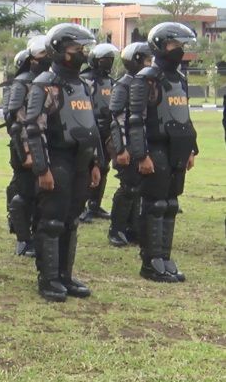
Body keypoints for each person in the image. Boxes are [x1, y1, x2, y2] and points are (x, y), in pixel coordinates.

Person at [23, 23, 102, 302]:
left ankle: (65, 276)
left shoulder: (83, 85)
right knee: (52, 221)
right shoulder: (45, 84)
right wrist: (42, 168)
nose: (81, 54)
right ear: (59, 51)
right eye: (75, 49)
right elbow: (34, 128)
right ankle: (48, 279)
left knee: (70, 220)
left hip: (80, 160)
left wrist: (94, 162)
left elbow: (89, 126)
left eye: (83, 49)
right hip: (56, 158)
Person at [127, 22, 199, 282]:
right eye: (174, 45)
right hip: (155, 148)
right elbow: (134, 120)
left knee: (170, 205)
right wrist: (141, 154)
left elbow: (185, 117)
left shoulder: (179, 79)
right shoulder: (146, 78)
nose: (178, 50)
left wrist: (192, 148)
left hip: (177, 150)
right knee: (155, 205)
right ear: (159, 46)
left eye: (181, 46)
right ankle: (151, 261)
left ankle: (165, 257)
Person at [4, 36, 49, 258]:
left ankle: (39, 235)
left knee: (43, 195)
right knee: (24, 193)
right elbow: (17, 119)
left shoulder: (51, 80)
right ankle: (23, 240)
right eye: (42, 56)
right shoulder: (22, 82)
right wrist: (27, 150)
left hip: (46, 145)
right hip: (24, 146)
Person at [107, 42, 152, 247]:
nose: (150, 63)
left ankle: (133, 228)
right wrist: (121, 148)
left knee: (139, 188)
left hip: (140, 142)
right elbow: (117, 119)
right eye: (146, 59)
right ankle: (116, 230)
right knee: (128, 187)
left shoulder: (146, 83)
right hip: (124, 143)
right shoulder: (123, 85)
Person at [79, 43, 119, 223]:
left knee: (103, 168)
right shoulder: (85, 79)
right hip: (90, 130)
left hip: (108, 130)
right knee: (87, 168)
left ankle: (94, 205)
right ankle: (81, 207)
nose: (108, 63)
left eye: (111, 60)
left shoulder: (110, 81)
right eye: (104, 60)